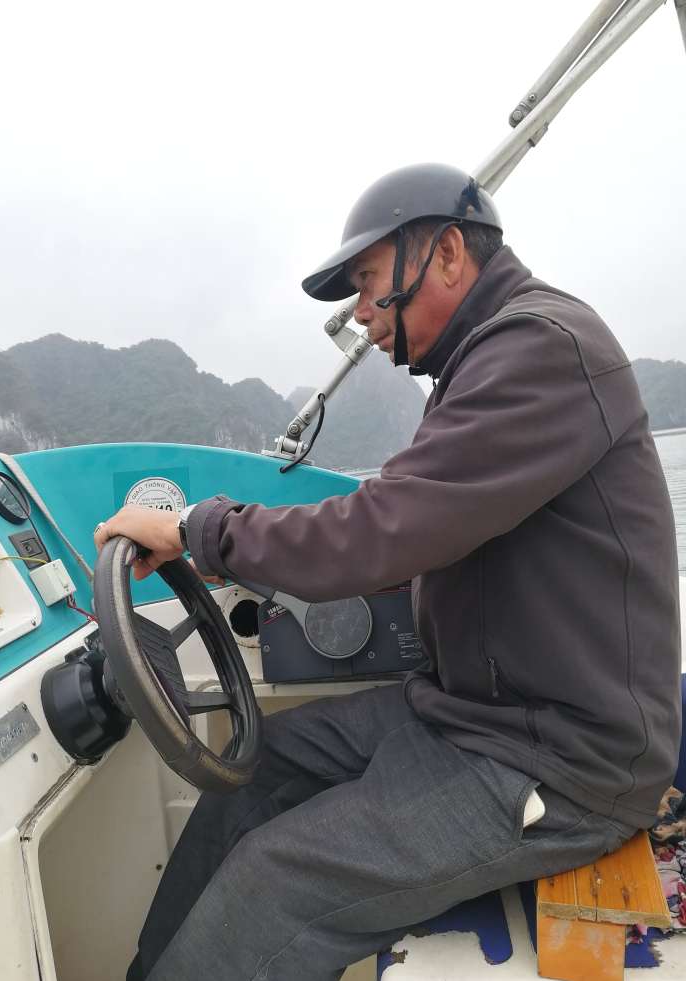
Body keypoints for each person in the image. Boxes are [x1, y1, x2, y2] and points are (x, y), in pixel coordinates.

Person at [94, 163, 681, 981]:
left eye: (369, 284)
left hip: (563, 762)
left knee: (274, 881)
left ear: (448, 253)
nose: (362, 314)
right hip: (472, 715)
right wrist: (243, 547)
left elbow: (384, 527)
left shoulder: (541, 349)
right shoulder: (481, 364)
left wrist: (197, 528)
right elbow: (411, 527)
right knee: (259, 768)